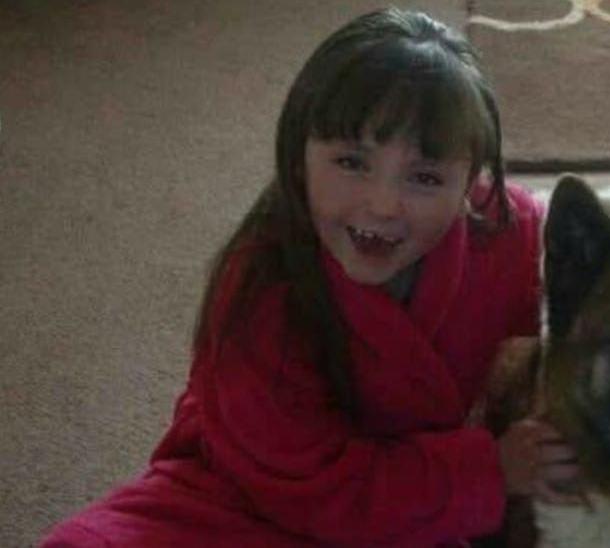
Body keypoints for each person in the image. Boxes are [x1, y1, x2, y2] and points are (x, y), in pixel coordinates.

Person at [42, 8, 579, 547]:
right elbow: (303, 485)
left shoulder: (509, 235)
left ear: (471, 183)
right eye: (350, 162)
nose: (383, 203)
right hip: (260, 495)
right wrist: (488, 472)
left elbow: (594, 312)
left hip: (419, 498)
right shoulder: (260, 287)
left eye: (425, 177)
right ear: (298, 156)